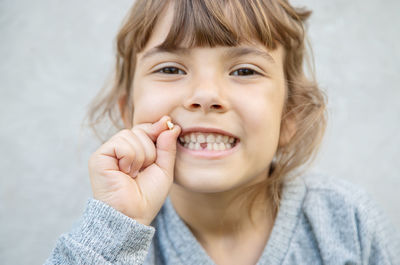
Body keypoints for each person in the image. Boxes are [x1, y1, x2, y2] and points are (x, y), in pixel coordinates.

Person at [45, 0, 400, 264]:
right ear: (129, 112)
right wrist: (118, 225)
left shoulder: (348, 225)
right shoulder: (112, 240)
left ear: (289, 115)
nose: (205, 96)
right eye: (170, 68)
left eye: (244, 71)